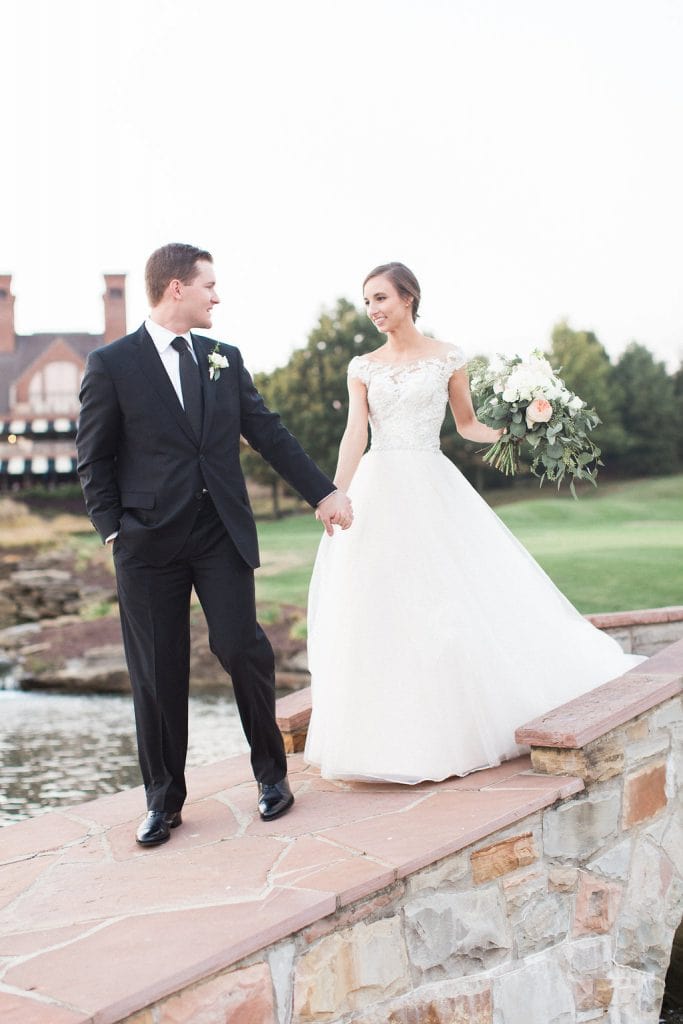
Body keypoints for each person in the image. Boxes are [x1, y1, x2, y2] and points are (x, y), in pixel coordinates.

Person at [304, 261, 643, 783]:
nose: (373, 310)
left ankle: (451, 730)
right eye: (367, 301)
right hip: (379, 486)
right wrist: (336, 493)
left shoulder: (448, 358)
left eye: (381, 299)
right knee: (377, 600)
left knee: (444, 600)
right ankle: (381, 737)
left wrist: (521, 429)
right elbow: (355, 433)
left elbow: (467, 426)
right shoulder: (362, 366)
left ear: (408, 298)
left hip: (429, 482)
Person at [77, 243, 352, 846]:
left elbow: (269, 433)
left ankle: (271, 778)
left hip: (219, 533)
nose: (217, 296)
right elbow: (93, 458)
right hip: (147, 544)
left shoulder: (223, 358)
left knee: (242, 648)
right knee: (157, 671)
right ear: (177, 288)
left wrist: (323, 493)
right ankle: (163, 801)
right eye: (209, 285)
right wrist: (114, 530)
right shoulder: (111, 364)